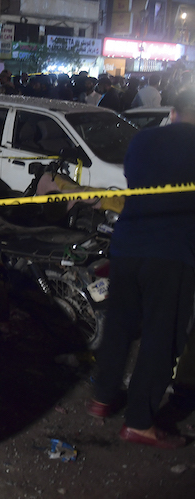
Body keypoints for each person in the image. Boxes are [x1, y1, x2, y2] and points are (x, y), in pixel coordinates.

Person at [88, 87, 195, 449]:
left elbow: (135, 182)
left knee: (119, 324)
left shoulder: (144, 139)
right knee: (160, 337)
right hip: (173, 253)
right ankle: (139, 422)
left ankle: (103, 398)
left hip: (128, 245)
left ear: (174, 112)